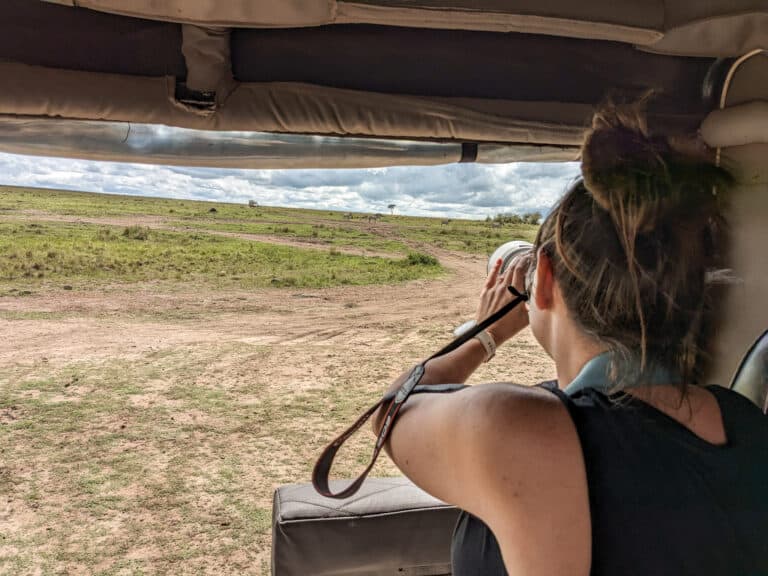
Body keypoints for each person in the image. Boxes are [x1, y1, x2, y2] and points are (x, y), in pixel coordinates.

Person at [373, 100, 768, 575]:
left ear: (541, 278)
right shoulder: (746, 422)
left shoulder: (523, 427)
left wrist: (485, 335)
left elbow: (391, 411)